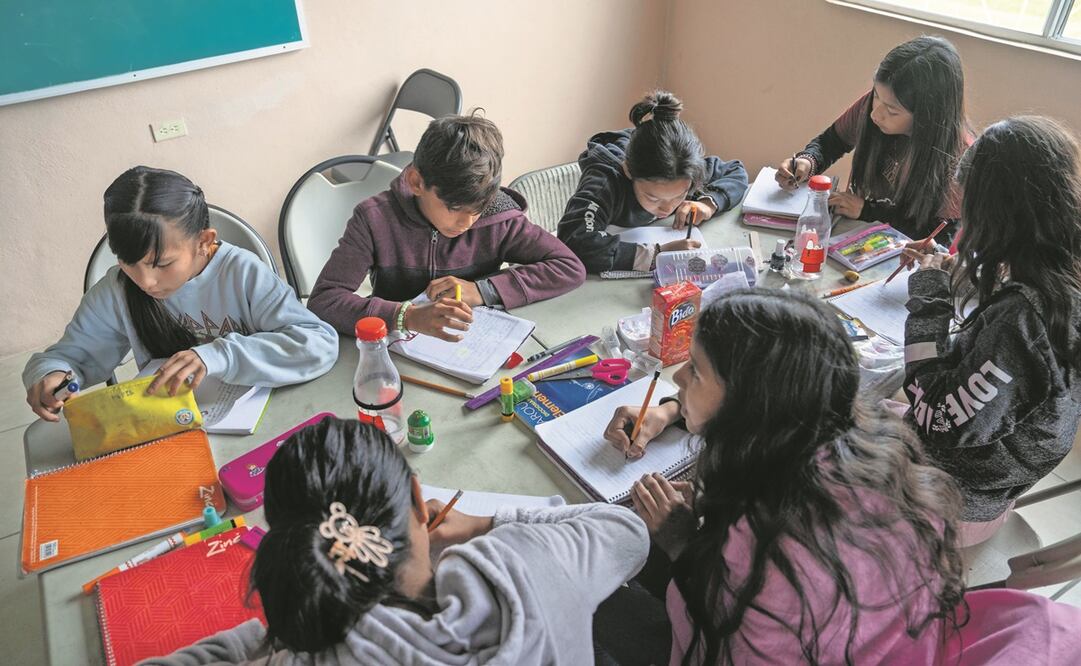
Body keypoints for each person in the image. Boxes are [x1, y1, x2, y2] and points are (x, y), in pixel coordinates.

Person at [601, 289, 965, 664]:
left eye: (695, 369)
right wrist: (673, 410)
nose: (679, 375)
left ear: (749, 400)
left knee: (581, 589)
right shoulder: (858, 439)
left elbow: (722, 637)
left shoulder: (770, 539)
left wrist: (681, 542)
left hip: (723, 634)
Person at [150, 417, 648, 665]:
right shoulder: (527, 562)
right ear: (417, 496)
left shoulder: (315, 652)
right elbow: (626, 530)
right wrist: (485, 525)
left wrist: (280, 629)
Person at [24, 166, 337, 420]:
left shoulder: (242, 273)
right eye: (128, 263)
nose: (145, 281)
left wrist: (217, 355)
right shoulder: (118, 290)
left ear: (204, 241)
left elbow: (318, 343)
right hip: (175, 429)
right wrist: (51, 377)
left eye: (162, 264)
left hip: (269, 419)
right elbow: (64, 358)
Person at [902, 116, 1081, 546]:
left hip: (953, 505)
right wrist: (955, 275)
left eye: (971, 215)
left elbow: (935, 415)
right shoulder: (1059, 272)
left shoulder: (1022, 325)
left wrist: (929, 297)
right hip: (988, 476)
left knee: (814, 435)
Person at [308, 112, 585, 342]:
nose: (466, 223)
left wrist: (482, 290)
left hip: (473, 348)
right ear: (417, 183)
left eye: (477, 209)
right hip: (396, 350)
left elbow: (569, 267)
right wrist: (406, 316)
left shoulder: (499, 217)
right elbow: (325, 301)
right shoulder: (374, 220)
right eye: (454, 209)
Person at [776, 36, 970, 243]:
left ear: (928, 116)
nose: (875, 114)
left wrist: (869, 211)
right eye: (876, 95)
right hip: (855, 235)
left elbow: (938, 236)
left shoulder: (958, 159)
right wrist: (808, 161)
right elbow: (831, 142)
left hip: (904, 256)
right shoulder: (872, 107)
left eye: (892, 111)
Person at [557, 90, 748, 273]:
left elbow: (735, 171)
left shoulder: (684, 168)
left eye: (679, 196)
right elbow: (575, 241)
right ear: (628, 171)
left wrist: (708, 204)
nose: (667, 209)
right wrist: (657, 254)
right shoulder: (604, 184)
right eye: (653, 198)